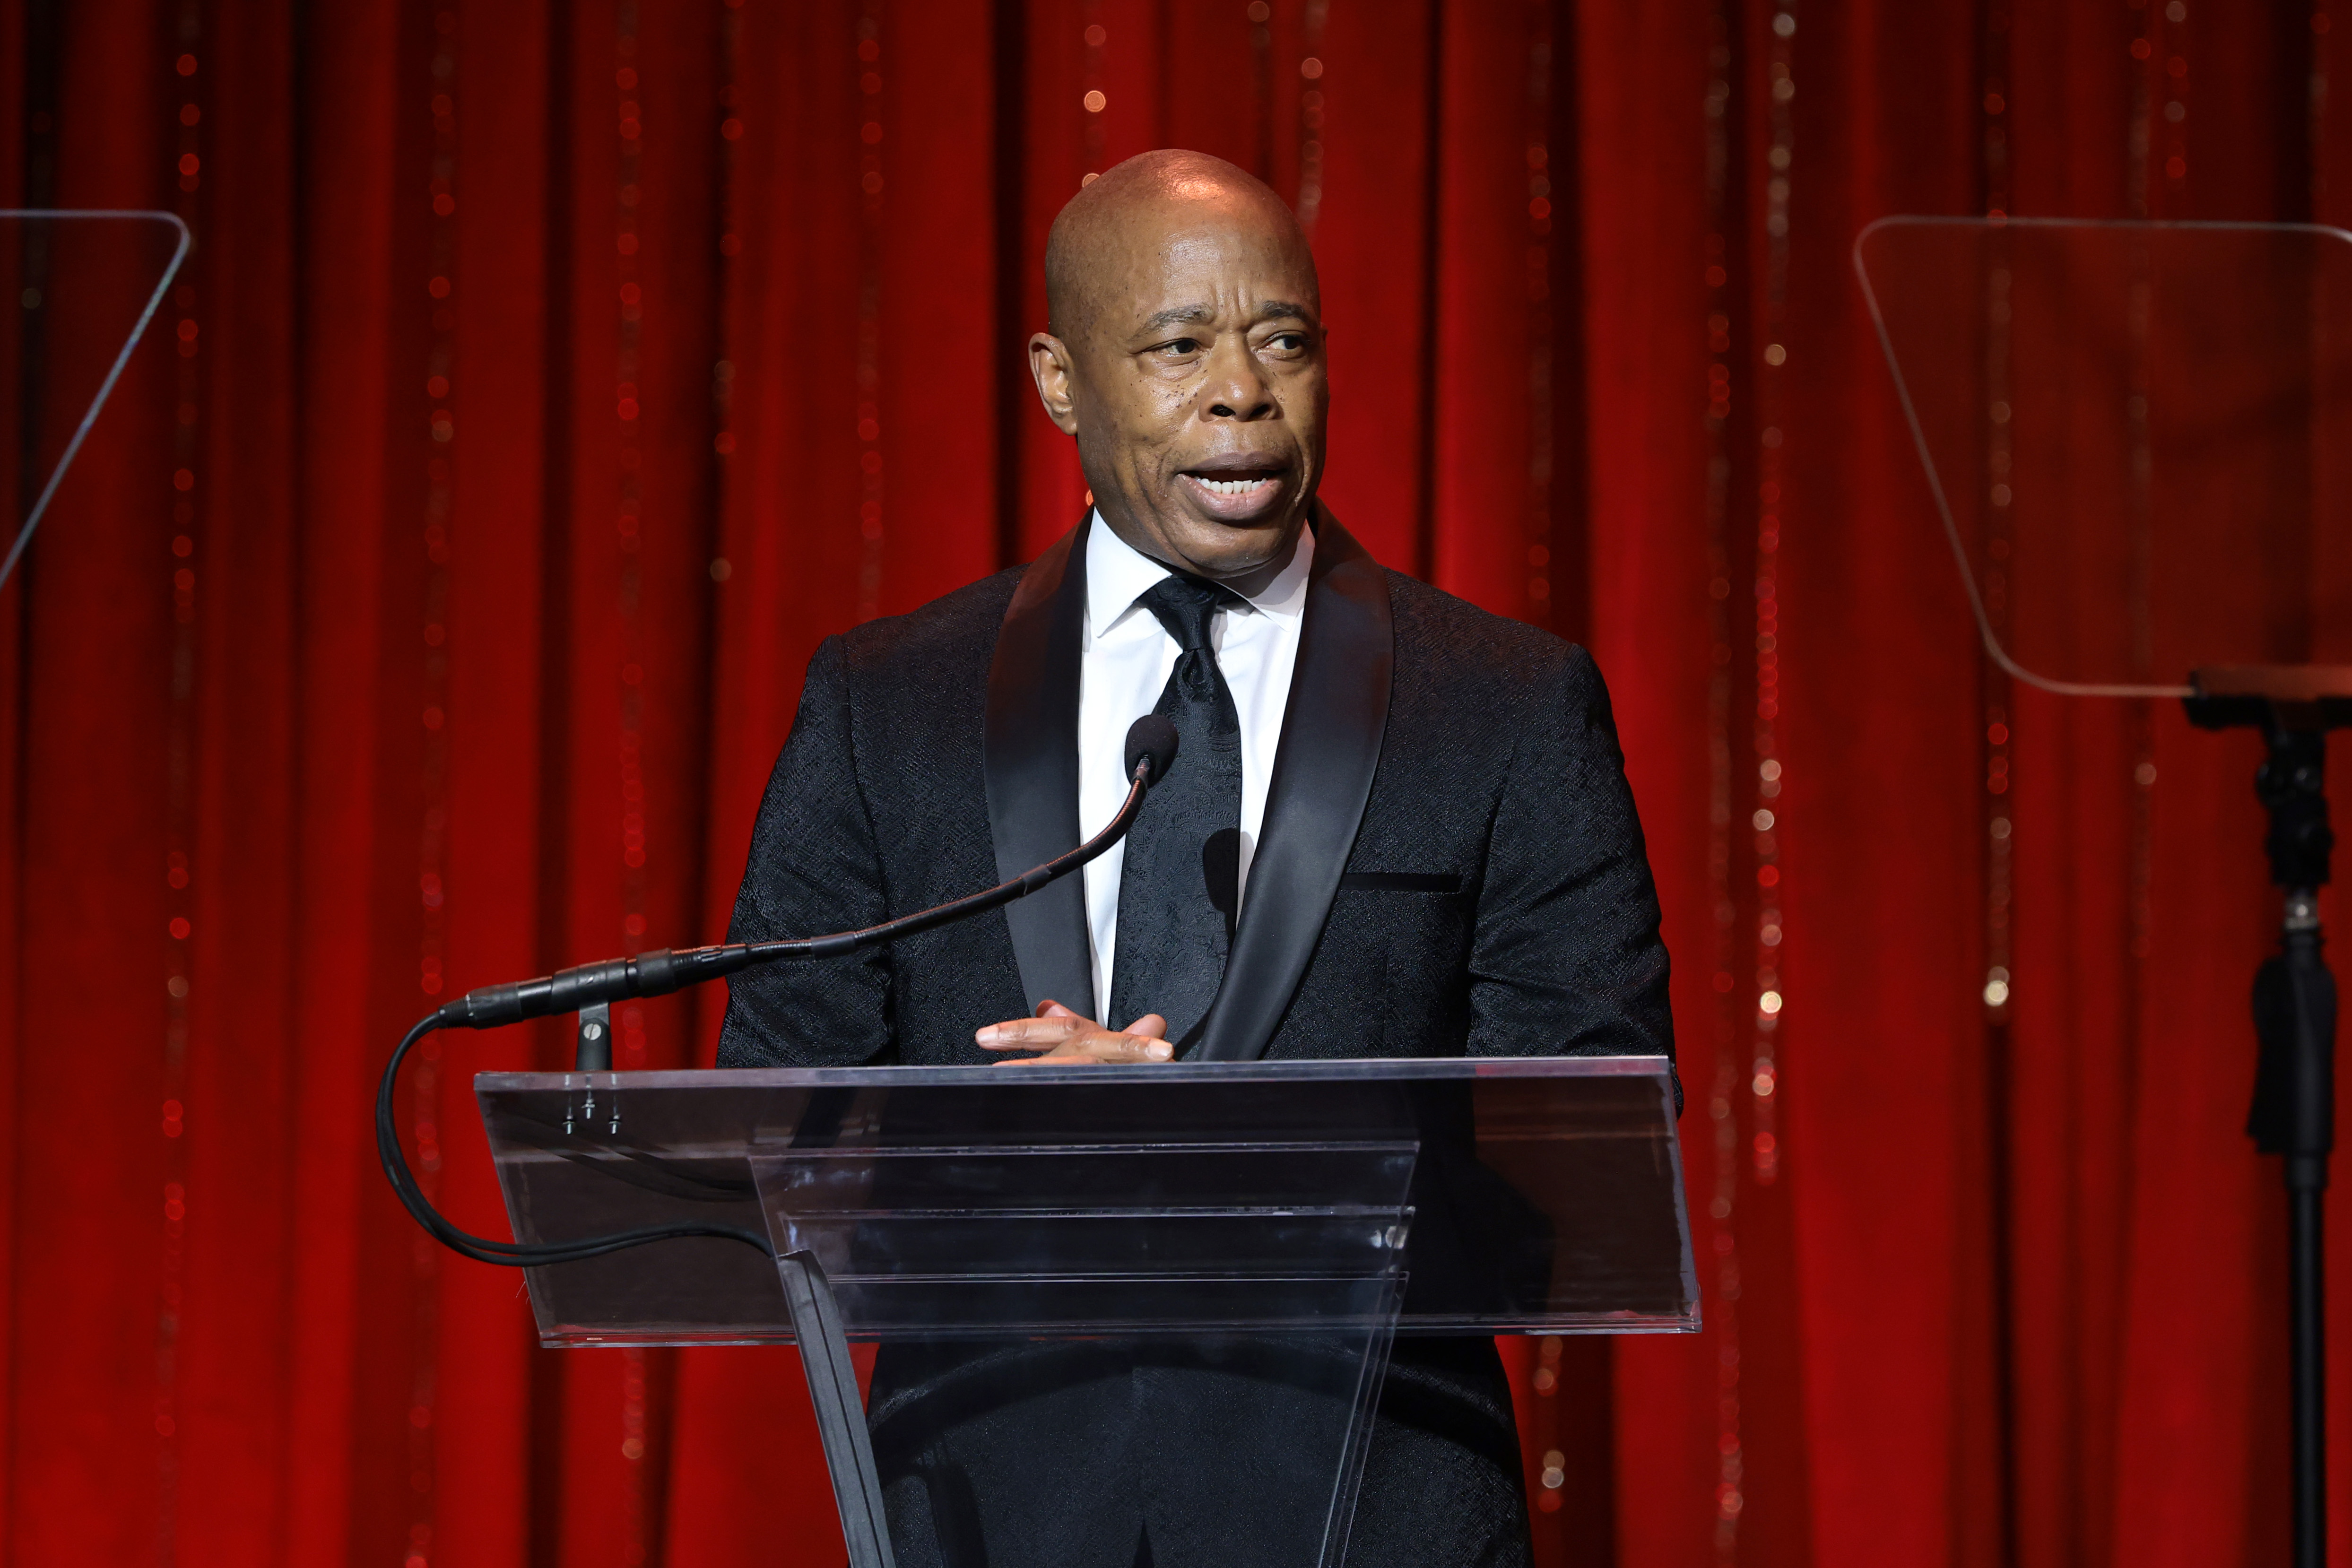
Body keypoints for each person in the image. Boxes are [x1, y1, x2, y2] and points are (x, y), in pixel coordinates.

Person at [720, 149, 1672, 1568]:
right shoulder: (885, 707)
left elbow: (1578, 1164)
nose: (1244, 390)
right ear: (1059, 382)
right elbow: (778, 1136)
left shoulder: (1508, 707)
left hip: (1380, 1511)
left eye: (1283, 339)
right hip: (992, 1511)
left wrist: (1207, 1129)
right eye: (1178, 347)